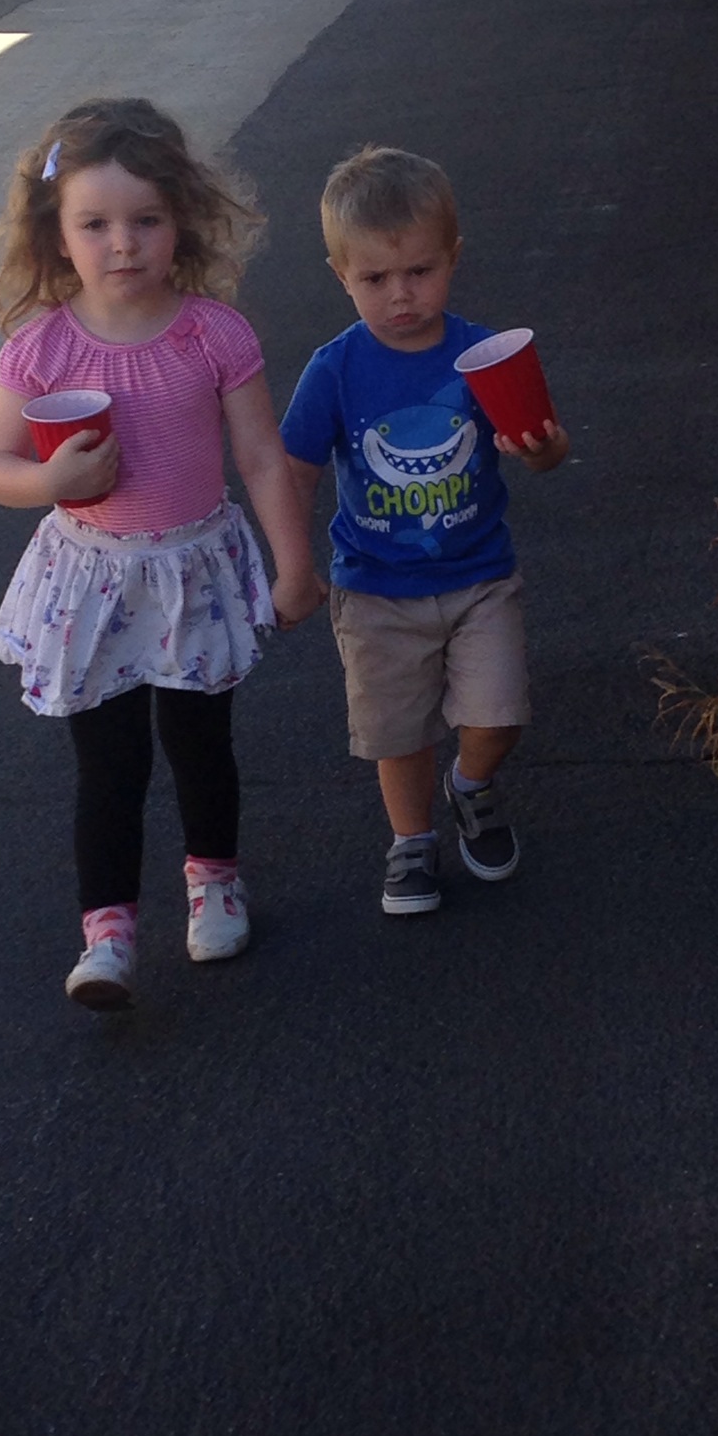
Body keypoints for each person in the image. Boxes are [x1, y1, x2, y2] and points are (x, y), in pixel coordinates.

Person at [0, 97, 325, 1009]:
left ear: (182, 222)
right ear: (57, 235)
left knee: (201, 744)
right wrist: (48, 482)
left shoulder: (213, 334)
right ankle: (108, 933)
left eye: (146, 220)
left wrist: (294, 565)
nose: (122, 244)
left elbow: (259, 455)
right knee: (110, 763)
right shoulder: (42, 348)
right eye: (95, 224)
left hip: (193, 570)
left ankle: (215, 882)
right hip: (91, 579)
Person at [280, 144, 570, 916]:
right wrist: (294, 565)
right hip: (376, 587)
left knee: (498, 716)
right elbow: (294, 467)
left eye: (420, 271)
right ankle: (411, 839)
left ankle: (471, 782)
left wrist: (541, 448)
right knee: (398, 732)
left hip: (479, 575)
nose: (401, 294)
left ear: (453, 258)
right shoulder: (335, 370)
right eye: (375, 279)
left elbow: (548, 448)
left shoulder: (481, 354)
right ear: (341, 275)